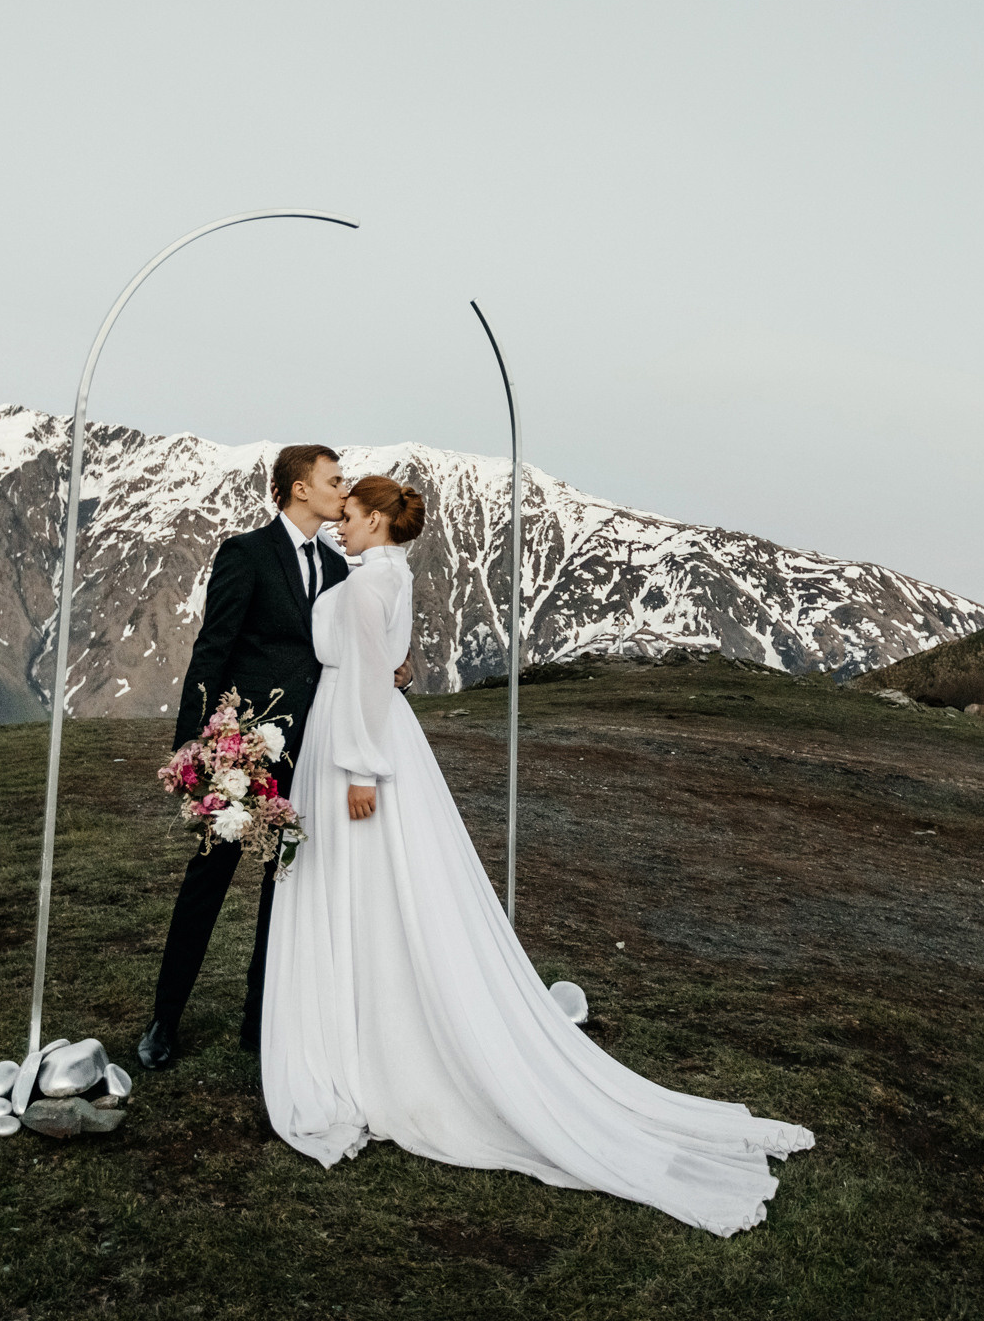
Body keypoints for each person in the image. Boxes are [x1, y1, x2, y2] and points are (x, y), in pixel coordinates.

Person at [262, 475, 814, 1237]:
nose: (341, 528)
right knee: (394, 890)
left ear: (380, 519)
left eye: (350, 516)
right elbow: (387, 664)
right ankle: (371, 1022)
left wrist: (359, 770)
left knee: (368, 887)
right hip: (383, 736)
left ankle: (366, 1036)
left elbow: (361, 681)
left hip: (358, 747)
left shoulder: (365, 585)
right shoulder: (392, 575)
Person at [135, 444, 410, 1069]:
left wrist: (400, 668)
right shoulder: (246, 554)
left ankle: (259, 1019)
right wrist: (196, 747)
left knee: (282, 887)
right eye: (334, 480)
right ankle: (164, 1019)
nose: (345, 491)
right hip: (245, 751)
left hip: (313, 752)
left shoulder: (346, 570)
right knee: (209, 877)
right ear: (297, 489)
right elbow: (212, 650)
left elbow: (361, 651)